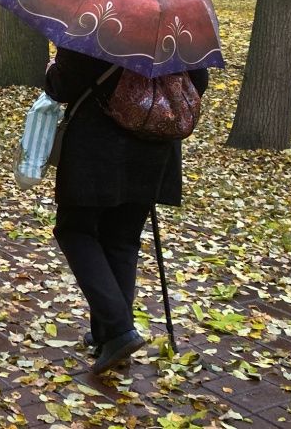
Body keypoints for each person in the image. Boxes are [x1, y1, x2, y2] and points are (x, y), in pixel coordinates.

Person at [44, 47, 208, 374]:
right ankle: (111, 333)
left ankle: (118, 329)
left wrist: (51, 68)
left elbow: (61, 87)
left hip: (98, 145)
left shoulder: (97, 23)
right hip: (154, 146)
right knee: (122, 238)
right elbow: (198, 83)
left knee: (74, 229)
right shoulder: (175, 27)